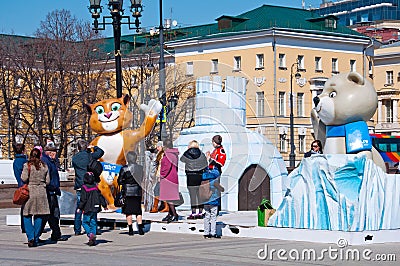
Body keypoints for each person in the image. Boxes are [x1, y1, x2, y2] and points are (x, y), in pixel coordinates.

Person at [72, 139, 104, 236]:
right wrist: (94, 147)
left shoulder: (74, 158)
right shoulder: (90, 156)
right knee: (92, 206)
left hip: (79, 185)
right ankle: (92, 229)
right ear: (86, 147)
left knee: (79, 207)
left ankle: (77, 229)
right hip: (91, 185)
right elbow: (101, 152)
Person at [20, 148, 50, 247]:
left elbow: (24, 178)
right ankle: (36, 237)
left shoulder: (27, 165)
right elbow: (48, 181)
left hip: (30, 191)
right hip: (41, 191)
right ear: (39, 155)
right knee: (39, 215)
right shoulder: (44, 166)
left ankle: (31, 237)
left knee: (27, 215)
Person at [40, 141, 68, 242]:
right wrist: (53, 187)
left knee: (53, 214)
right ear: (49, 152)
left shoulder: (50, 161)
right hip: (49, 191)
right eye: (55, 152)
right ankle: (36, 235)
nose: (56, 154)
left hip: (52, 191)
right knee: (48, 215)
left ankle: (56, 234)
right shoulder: (45, 162)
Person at [118, 151, 145, 236]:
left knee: (128, 211)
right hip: (137, 191)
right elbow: (142, 178)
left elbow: (119, 180)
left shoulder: (124, 168)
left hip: (127, 192)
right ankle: (140, 229)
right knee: (138, 210)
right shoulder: (140, 168)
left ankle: (130, 229)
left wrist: (124, 182)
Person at [77, 172, 107, 246]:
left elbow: (83, 199)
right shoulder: (95, 187)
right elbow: (100, 196)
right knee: (93, 222)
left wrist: (80, 207)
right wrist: (104, 205)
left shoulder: (84, 187)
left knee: (85, 222)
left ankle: (90, 234)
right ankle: (93, 237)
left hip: (88, 208)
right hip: (95, 208)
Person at [180, 140, 208, 220]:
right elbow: (205, 163)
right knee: (199, 195)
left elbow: (182, 159)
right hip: (199, 175)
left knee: (192, 195)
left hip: (190, 176)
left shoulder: (187, 153)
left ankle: (193, 213)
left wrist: (187, 151)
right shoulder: (201, 154)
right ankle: (200, 212)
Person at [159, 139, 180, 223]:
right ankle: (170, 214)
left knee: (169, 197)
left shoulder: (167, 155)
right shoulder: (174, 154)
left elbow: (166, 168)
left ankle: (174, 214)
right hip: (173, 176)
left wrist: (161, 175)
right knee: (170, 197)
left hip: (168, 178)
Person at [202, 169, 224, 239]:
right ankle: (213, 233)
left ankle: (206, 233)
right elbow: (222, 189)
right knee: (213, 217)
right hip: (213, 201)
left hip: (205, 201)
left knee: (206, 216)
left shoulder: (204, 180)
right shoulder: (214, 181)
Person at [12, 143, 28, 233]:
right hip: (25, 186)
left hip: (20, 185)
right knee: (26, 208)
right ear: (23, 150)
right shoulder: (23, 161)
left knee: (24, 207)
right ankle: (25, 227)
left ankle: (24, 226)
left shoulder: (15, 161)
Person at [149, 141, 169, 213]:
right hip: (160, 175)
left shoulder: (163, 155)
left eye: (158, 147)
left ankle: (156, 207)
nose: (157, 148)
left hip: (162, 176)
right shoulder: (160, 154)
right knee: (160, 191)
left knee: (157, 190)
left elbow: (163, 166)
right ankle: (163, 206)